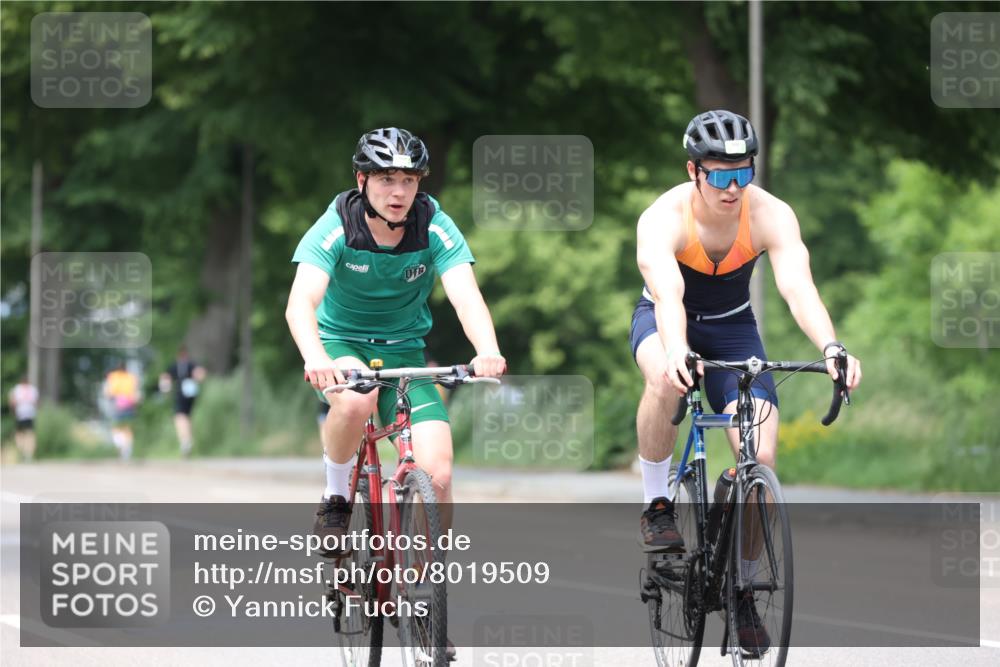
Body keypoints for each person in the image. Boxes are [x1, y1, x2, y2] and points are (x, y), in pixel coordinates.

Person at [631, 110, 862, 655]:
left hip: (736, 329)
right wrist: (678, 351)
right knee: (665, 382)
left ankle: (744, 587)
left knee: (762, 457)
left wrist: (831, 346)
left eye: (744, 174)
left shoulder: (772, 215)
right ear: (694, 171)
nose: (734, 188)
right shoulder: (663, 218)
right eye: (720, 175)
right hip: (667, 321)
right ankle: (657, 504)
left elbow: (798, 287)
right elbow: (667, 296)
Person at [285, 129, 504, 599]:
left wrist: (487, 349)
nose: (399, 192)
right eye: (386, 179)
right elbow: (300, 302)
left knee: (439, 475)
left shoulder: (435, 224)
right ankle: (337, 497)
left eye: (409, 179)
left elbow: (466, 296)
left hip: (405, 352)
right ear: (361, 180)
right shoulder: (338, 225)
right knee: (356, 401)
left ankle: (424, 594)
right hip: (342, 344)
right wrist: (316, 357)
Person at [159, 346, 206, 457]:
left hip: (181, 393)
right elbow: (201, 374)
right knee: (187, 416)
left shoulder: (175, 366)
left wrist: (165, 390)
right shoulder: (192, 364)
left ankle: (185, 441)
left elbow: (165, 379)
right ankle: (188, 439)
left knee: (180, 417)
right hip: (192, 393)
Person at [105, 362, 141, 461]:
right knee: (127, 427)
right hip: (130, 405)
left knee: (116, 427)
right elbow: (136, 394)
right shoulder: (131, 377)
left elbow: (108, 393)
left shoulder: (113, 377)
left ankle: (121, 446)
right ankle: (127, 449)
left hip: (117, 406)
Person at [8, 376, 39, 461]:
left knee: (24, 435)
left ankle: (25, 453)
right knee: (27, 434)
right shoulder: (30, 389)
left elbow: (12, 401)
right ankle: (26, 453)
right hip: (26, 415)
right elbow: (36, 403)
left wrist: (12, 411)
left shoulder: (18, 389)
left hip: (24, 415)